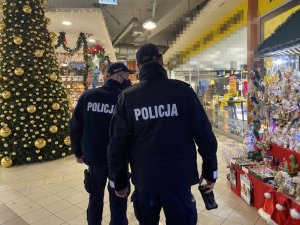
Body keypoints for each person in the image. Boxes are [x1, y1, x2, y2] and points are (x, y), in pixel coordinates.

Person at [107, 43, 218, 225]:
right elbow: (205, 135)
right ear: (161, 61)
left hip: (145, 180)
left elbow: (117, 144)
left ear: (139, 66)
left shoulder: (128, 98)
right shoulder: (183, 91)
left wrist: (119, 181)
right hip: (179, 179)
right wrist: (210, 172)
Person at [69, 62, 134, 225]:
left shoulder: (88, 96)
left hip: (94, 159)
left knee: (95, 198)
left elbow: (75, 125)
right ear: (118, 75)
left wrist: (77, 151)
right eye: (127, 75)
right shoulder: (124, 98)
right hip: (117, 162)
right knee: (118, 200)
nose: (129, 79)